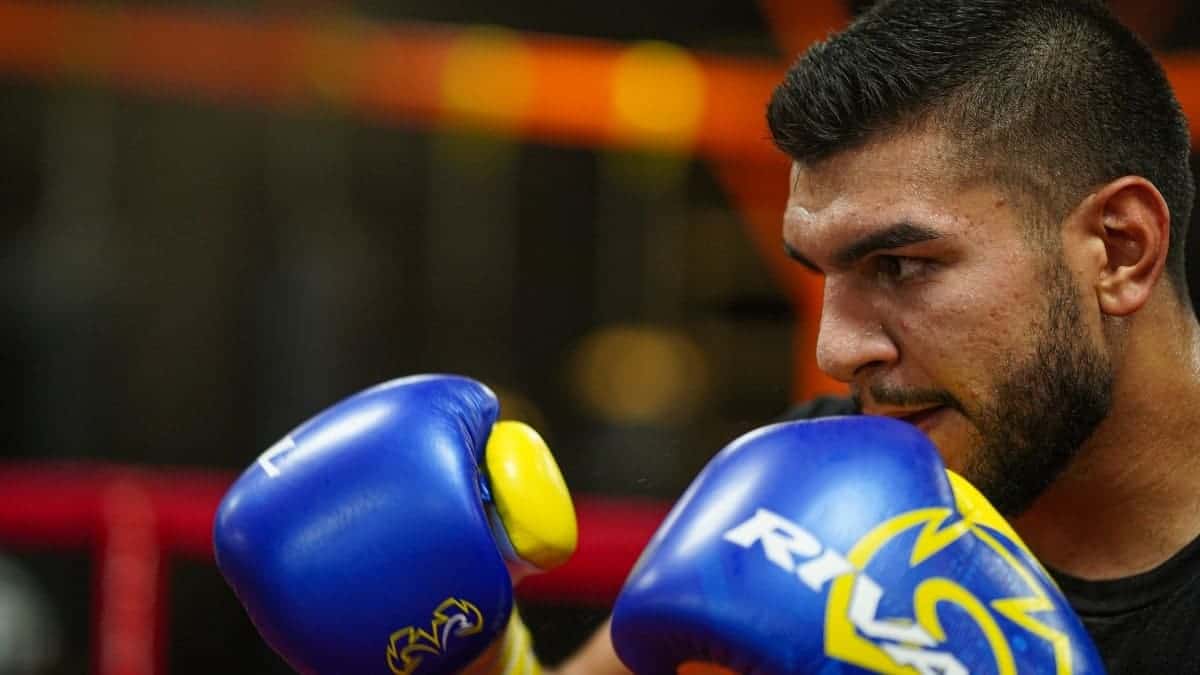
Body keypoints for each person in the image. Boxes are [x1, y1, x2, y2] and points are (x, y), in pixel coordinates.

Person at [553, 0, 1200, 672]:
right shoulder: (834, 482)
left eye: (898, 266)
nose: (834, 351)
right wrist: (485, 649)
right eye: (822, 272)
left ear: (1120, 249)